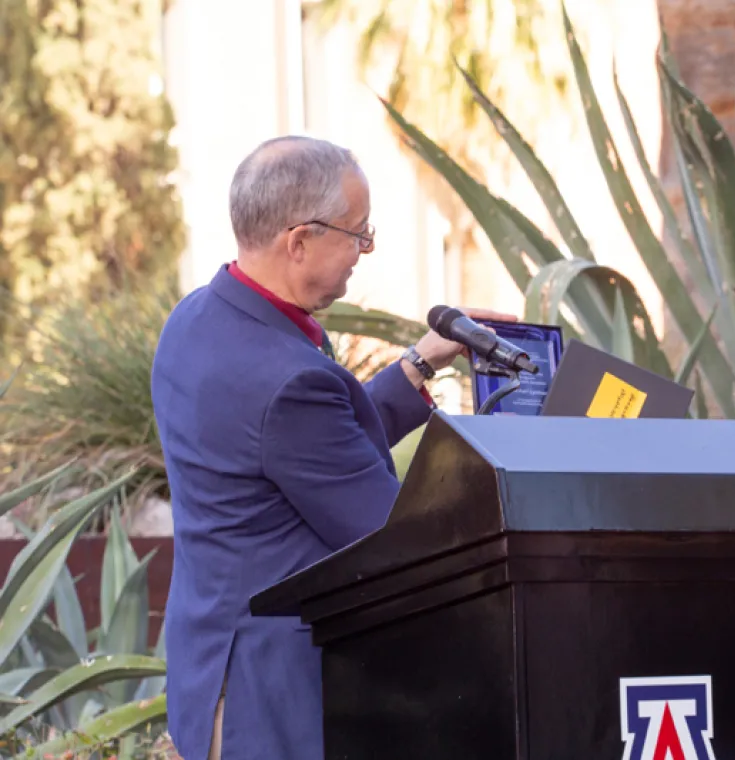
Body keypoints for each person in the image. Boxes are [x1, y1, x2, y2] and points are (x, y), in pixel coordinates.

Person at [150, 135, 515, 760]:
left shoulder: (197, 320)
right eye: (357, 234)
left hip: (212, 670)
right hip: (268, 706)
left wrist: (417, 366)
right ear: (299, 240)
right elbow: (394, 538)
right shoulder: (289, 383)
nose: (363, 252)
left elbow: (299, 454)